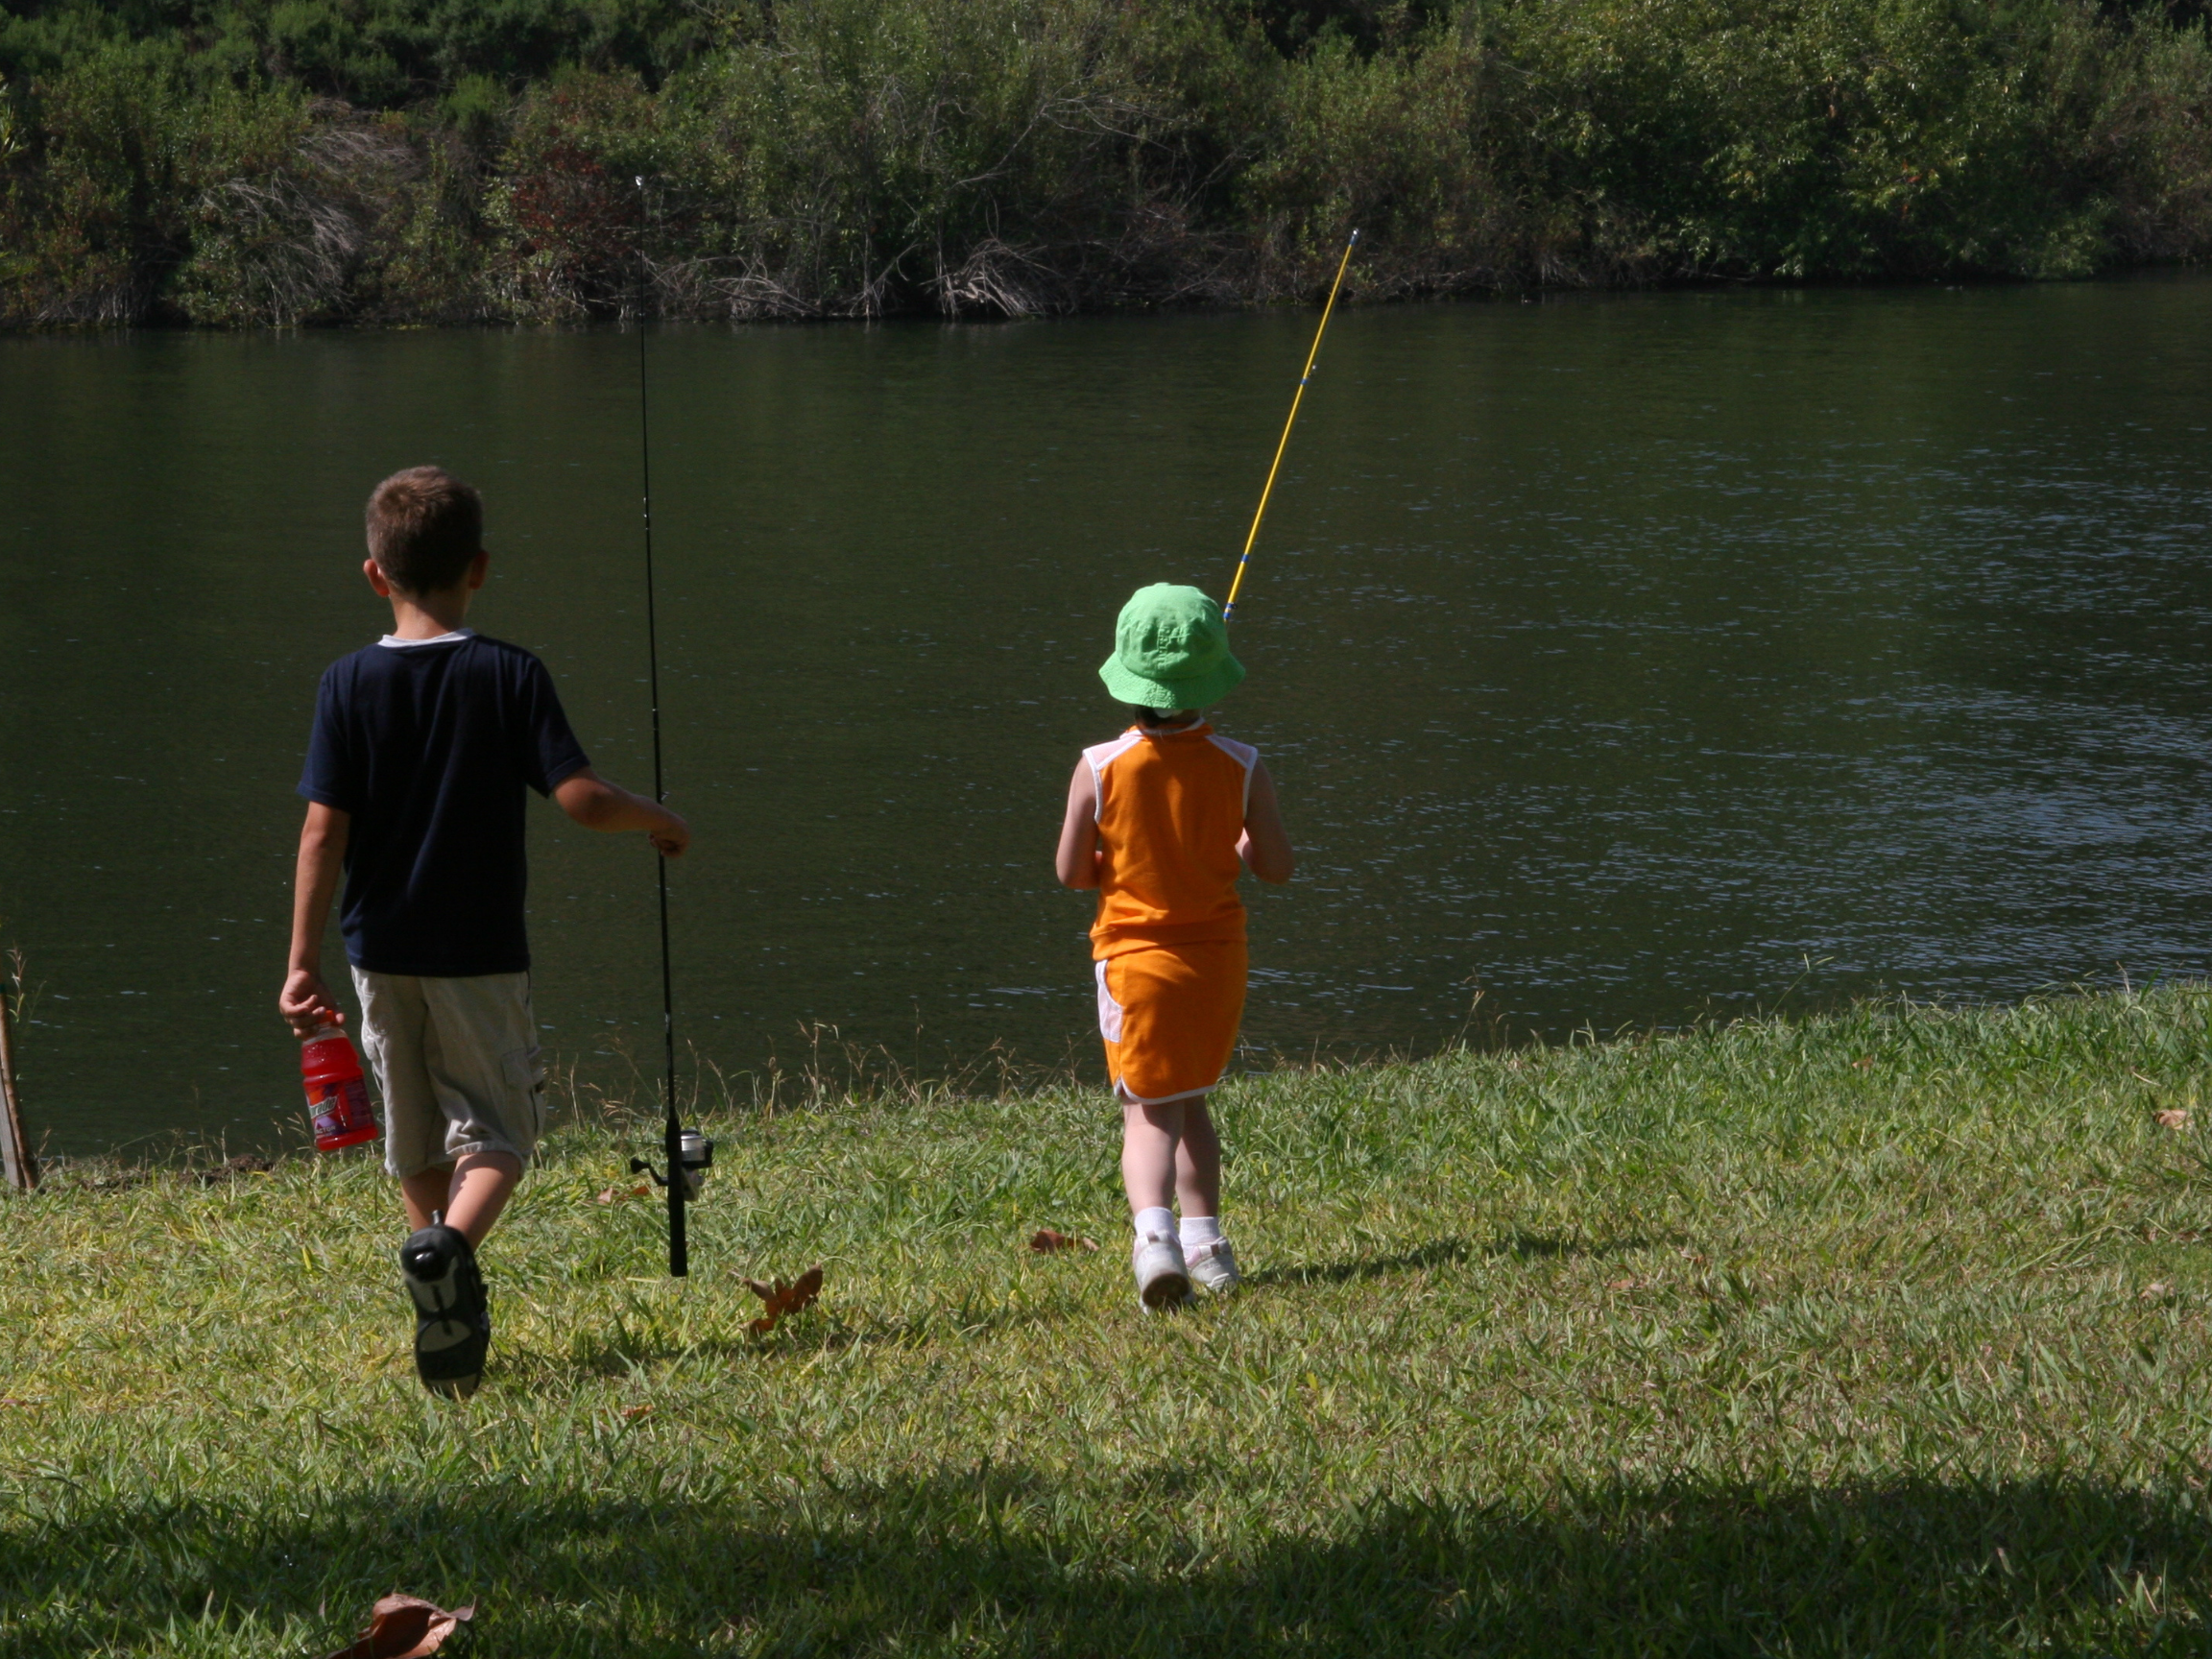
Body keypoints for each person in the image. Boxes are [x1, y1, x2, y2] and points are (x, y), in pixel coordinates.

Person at [279, 465, 689, 1398]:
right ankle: (447, 1253)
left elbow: (321, 831)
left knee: (417, 1136)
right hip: (478, 953)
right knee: (501, 1132)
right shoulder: (508, 673)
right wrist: (657, 817)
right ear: (480, 568)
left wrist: (302, 961)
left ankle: (446, 1284)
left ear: (375, 575)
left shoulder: (345, 684)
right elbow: (581, 799)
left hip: (376, 950)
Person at [1054, 583, 1295, 1310]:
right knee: (1192, 1103)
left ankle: (1155, 1241)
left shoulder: (1099, 765)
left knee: (1147, 1111)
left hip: (1134, 963)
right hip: (1216, 960)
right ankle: (1209, 1247)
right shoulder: (1243, 762)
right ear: (1211, 678)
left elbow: (1071, 873)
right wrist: (1245, 839)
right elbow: (1277, 867)